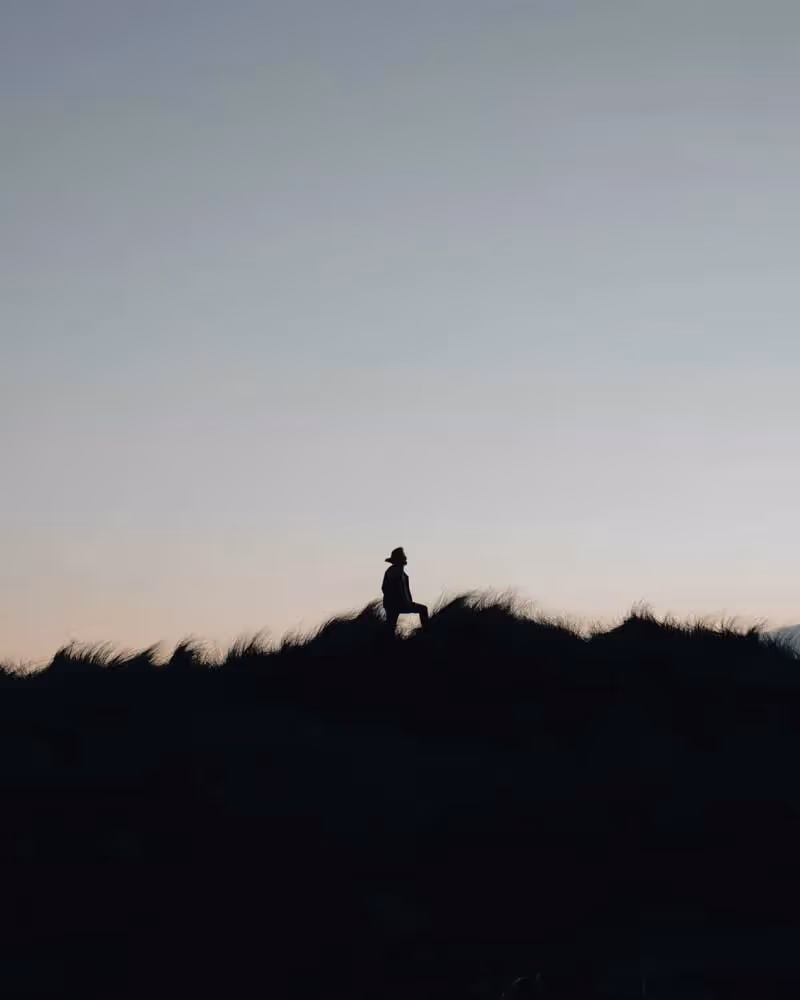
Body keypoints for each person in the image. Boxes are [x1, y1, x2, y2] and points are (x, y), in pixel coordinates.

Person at [382, 547, 429, 632]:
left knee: (423, 609)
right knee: (390, 627)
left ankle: (426, 631)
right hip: (394, 604)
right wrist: (394, 600)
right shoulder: (392, 571)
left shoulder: (402, 573)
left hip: (404, 603)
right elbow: (385, 588)